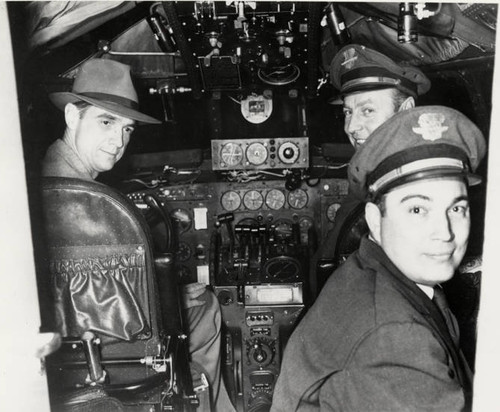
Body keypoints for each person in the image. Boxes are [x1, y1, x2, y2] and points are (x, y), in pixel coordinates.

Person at [42, 58, 234, 412]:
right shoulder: (100, 203)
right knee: (207, 307)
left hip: (61, 356)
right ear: (72, 116)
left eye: (127, 129)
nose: (118, 141)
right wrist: (170, 302)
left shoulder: (31, 189)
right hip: (122, 358)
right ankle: (196, 396)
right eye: (106, 122)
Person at [271, 105, 486, 411]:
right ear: (374, 220)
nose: (445, 232)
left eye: (456, 208)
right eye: (417, 209)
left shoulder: (374, 274)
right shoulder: (393, 337)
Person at [312, 44, 431, 293]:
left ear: (405, 111)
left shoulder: (420, 190)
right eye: (348, 112)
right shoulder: (369, 178)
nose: (352, 126)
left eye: (367, 110)